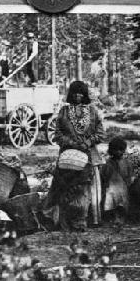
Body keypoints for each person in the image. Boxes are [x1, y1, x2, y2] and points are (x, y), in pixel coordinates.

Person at [45, 81, 105, 231]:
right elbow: (57, 134)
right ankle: (63, 219)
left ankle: (85, 219)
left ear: (85, 95)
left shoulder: (92, 111)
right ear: (70, 94)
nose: (78, 96)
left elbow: (100, 132)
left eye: (81, 93)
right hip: (68, 156)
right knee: (64, 186)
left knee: (85, 188)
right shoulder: (64, 111)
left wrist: (88, 142)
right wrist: (71, 142)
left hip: (88, 154)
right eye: (75, 93)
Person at [101, 137, 133, 224]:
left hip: (123, 187)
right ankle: (114, 217)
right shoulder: (108, 163)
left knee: (122, 203)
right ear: (111, 150)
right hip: (111, 187)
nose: (118, 152)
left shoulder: (127, 162)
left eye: (121, 150)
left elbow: (129, 175)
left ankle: (121, 218)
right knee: (111, 202)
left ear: (124, 150)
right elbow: (104, 176)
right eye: (116, 150)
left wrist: (129, 184)